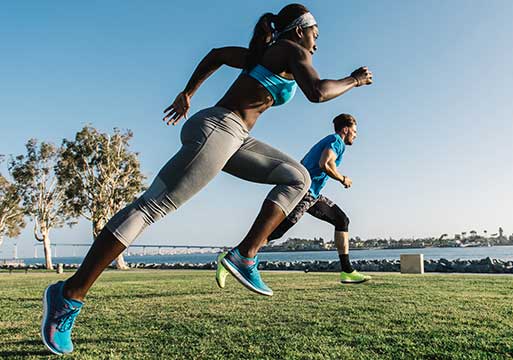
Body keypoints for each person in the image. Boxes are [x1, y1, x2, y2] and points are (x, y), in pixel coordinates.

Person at [40, 4, 373, 355]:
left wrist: (189, 92)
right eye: (315, 35)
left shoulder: (263, 55)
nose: (316, 45)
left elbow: (216, 55)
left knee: (297, 177)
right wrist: (355, 79)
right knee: (152, 207)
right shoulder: (291, 49)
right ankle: (68, 295)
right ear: (299, 30)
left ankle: (245, 255)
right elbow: (317, 91)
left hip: (235, 137)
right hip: (221, 129)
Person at [216, 113, 370, 287]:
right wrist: (343, 179)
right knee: (276, 232)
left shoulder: (330, 140)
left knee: (341, 220)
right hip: (304, 193)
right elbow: (325, 164)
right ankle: (234, 255)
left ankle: (347, 271)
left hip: (312, 195)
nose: (355, 135)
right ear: (345, 129)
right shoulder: (337, 141)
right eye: (354, 132)